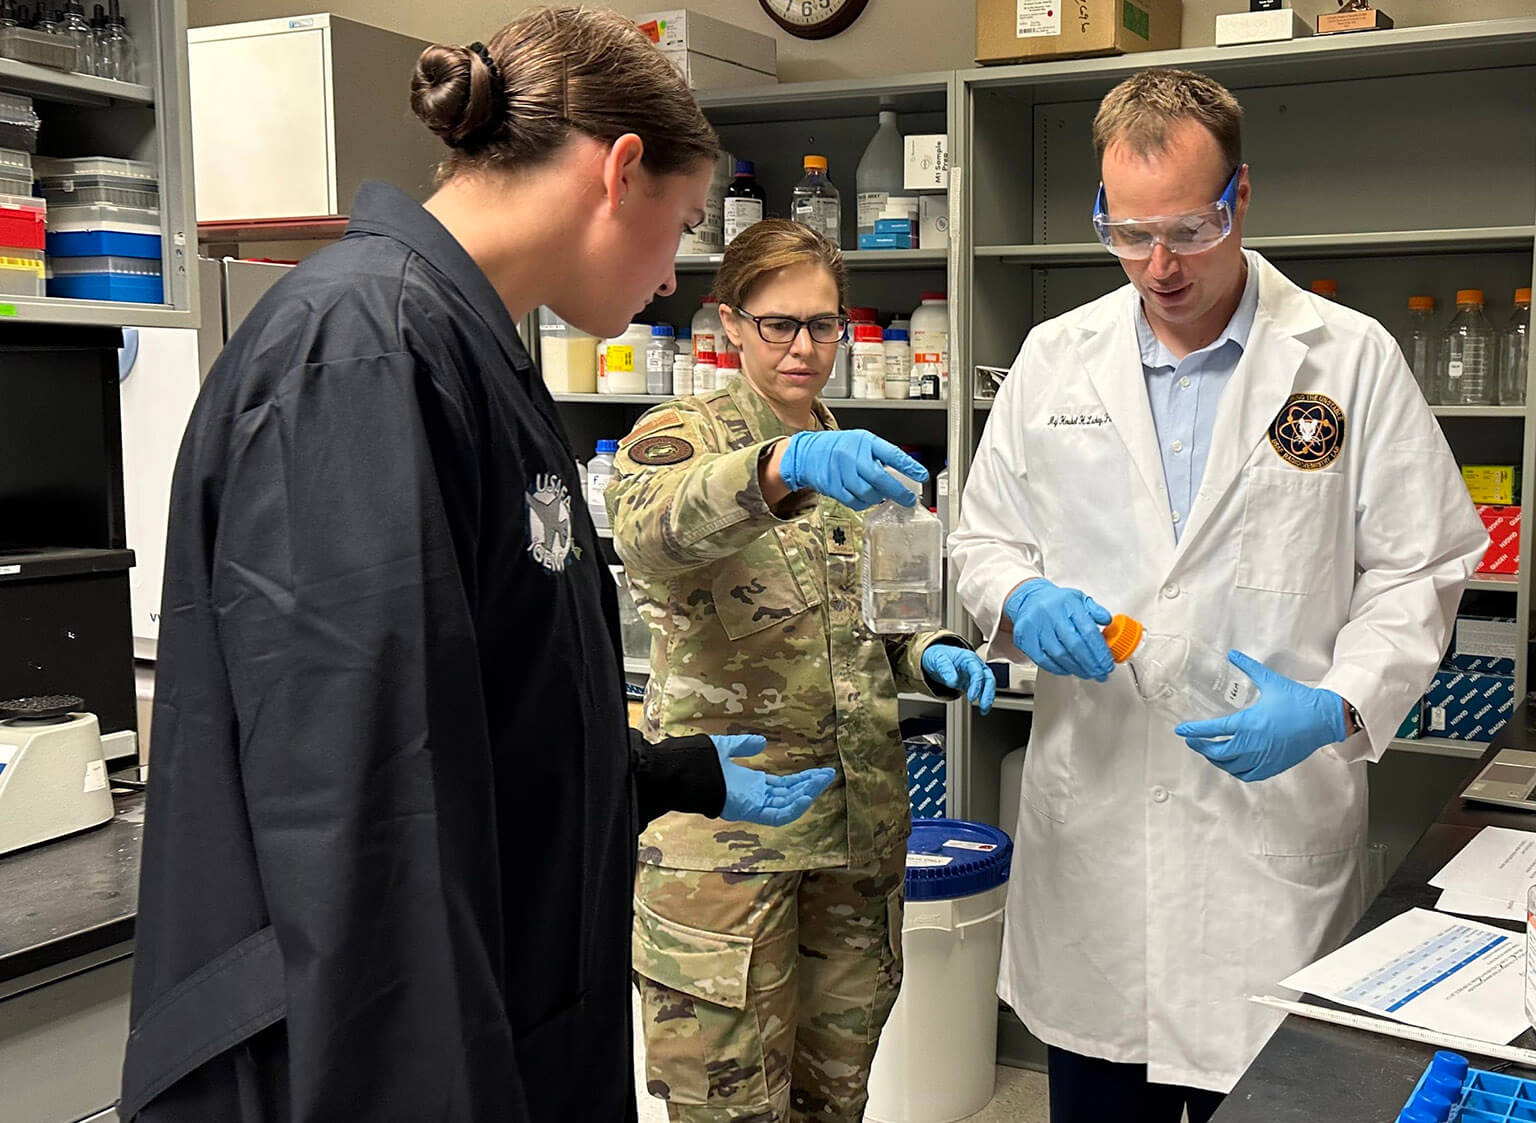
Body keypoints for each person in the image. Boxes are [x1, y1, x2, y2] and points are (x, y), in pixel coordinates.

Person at [119, 10, 836, 1122]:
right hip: (394, 1065)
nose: (675, 273)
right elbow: (369, 822)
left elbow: (489, 712)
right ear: (622, 169)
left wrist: (664, 774)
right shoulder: (363, 355)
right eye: (685, 226)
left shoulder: (469, 350)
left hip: (511, 1013)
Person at [950, 68, 1487, 1122]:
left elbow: (1420, 565)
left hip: (1268, 846)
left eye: (1190, 229)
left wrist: (1335, 704)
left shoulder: (1350, 360)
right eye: (1127, 231)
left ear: (1242, 198)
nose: (1158, 265)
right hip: (1095, 835)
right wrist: (1019, 593)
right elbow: (981, 540)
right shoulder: (1056, 359)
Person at [607, 218, 996, 1122]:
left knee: (836, 1099)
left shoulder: (847, 455)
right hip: (728, 860)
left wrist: (925, 650)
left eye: (823, 325)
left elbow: (875, 617)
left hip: (851, 843)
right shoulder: (680, 435)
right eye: (778, 324)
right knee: (731, 1108)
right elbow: (649, 529)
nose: (804, 348)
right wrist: (782, 463)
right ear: (731, 323)